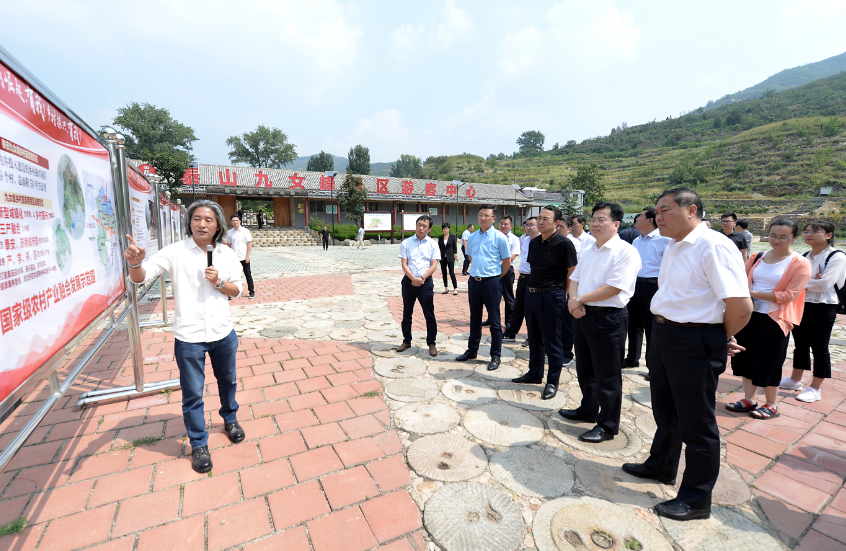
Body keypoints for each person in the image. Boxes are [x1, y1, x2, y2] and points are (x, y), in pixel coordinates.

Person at [622, 188, 752, 522]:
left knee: (697, 423)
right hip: (666, 333)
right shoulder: (675, 245)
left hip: (695, 339)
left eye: (665, 210)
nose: (658, 217)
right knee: (666, 409)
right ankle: (661, 465)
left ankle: (696, 499)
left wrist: (716, 337)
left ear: (691, 210)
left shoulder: (713, 245)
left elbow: (740, 306)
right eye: (656, 211)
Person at [123, 200, 246, 474]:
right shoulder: (175, 251)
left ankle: (230, 419)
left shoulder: (226, 254)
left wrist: (218, 282)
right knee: (192, 393)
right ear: (189, 222)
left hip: (223, 332)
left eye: (209, 220)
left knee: (228, 381)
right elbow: (142, 277)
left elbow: (237, 290)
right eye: (197, 219)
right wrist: (135, 263)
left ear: (218, 226)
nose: (202, 224)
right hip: (189, 336)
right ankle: (199, 443)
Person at [560, 202, 640, 445]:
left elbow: (614, 287)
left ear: (616, 224)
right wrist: (574, 302)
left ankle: (607, 424)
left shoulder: (626, 252)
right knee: (585, 368)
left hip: (608, 318)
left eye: (601, 219)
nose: (595, 223)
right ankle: (588, 408)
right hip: (583, 314)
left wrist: (578, 300)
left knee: (607, 374)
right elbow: (575, 277)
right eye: (593, 219)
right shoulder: (589, 249)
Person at [727, 218, 811, 419]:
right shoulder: (757, 256)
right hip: (748, 315)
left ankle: (772, 404)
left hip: (774, 318)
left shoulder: (800, 263)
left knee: (769, 361)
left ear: (794, 238)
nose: (777, 240)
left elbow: (787, 295)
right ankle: (749, 399)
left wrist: (751, 293)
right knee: (745, 358)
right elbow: (741, 279)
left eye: (783, 237)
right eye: (773, 235)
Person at [512, 207, 577, 399]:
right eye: (539, 218)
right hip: (531, 294)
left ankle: (552, 381)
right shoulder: (534, 242)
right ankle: (534, 373)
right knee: (534, 338)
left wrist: (563, 295)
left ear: (556, 223)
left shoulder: (564, 244)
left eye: (545, 218)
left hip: (552, 296)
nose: (540, 222)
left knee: (552, 341)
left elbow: (572, 273)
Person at [781, 221, 846, 402]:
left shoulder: (837, 257)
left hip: (823, 306)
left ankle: (815, 388)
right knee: (800, 344)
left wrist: (801, 283)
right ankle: (795, 380)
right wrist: (811, 282)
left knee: (820, 347)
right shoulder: (804, 256)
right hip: (801, 304)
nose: (808, 234)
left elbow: (824, 285)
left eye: (815, 231)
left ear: (829, 235)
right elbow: (789, 279)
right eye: (806, 231)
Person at [456, 205, 512, 371]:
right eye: (480, 215)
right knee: (475, 318)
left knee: (494, 321)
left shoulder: (499, 237)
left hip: (492, 282)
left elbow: (507, 262)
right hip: (474, 281)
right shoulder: (472, 236)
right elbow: (471, 257)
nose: (483, 218)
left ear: (493, 219)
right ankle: (472, 350)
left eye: (486, 215)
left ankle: (495, 355)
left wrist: (495, 277)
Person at [625, 208, 670, 370]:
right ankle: (632, 358)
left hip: (652, 286)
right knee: (633, 324)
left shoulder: (664, 240)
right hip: (635, 285)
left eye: (640, 217)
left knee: (652, 327)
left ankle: (653, 366)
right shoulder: (637, 240)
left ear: (650, 220)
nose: (636, 220)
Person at [397, 215, 441, 357]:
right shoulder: (406, 243)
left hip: (425, 284)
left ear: (429, 229)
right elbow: (404, 264)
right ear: (416, 226)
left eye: (424, 226)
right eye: (419, 225)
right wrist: (413, 279)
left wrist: (422, 278)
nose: (421, 228)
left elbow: (434, 265)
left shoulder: (433, 244)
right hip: (408, 283)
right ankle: (407, 340)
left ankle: (431, 343)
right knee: (406, 313)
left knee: (429, 315)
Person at [503, 217, 539, 342]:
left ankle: (532, 337)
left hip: (534, 278)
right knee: (518, 307)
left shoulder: (542, 240)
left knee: (532, 309)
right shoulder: (523, 239)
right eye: (527, 225)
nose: (528, 227)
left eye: (531, 225)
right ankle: (511, 333)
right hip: (523, 277)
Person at [483, 215, 520, 328]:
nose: (503, 226)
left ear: (511, 226)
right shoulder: (492, 236)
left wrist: (498, 260)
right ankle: (492, 318)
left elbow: (512, 256)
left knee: (508, 296)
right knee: (492, 296)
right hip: (492, 270)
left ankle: (509, 321)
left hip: (507, 269)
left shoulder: (514, 239)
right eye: (501, 224)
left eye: (506, 224)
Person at [226, 214, 255, 299]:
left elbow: (249, 243)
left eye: (236, 220)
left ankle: (251, 292)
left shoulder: (245, 231)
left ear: (240, 221)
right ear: (231, 222)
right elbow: (229, 245)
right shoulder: (229, 232)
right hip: (234, 258)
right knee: (233, 276)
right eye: (233, 221)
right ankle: (233, 292)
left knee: (248, 275)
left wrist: (247, 256)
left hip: (244, 257)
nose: (235, 222)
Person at [438, 223, 459, 295]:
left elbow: (454, 247)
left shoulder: (452, 237)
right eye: (444, 229)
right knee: (444, 273)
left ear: (449, 229)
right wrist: (437, 258)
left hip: (450, 257)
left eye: (446, 228)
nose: (445, 230)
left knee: (452, 273)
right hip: (442, 257)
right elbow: (439, 248)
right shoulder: (440, 238)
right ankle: (446, 288)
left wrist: (456, 255)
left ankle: (455, 288)